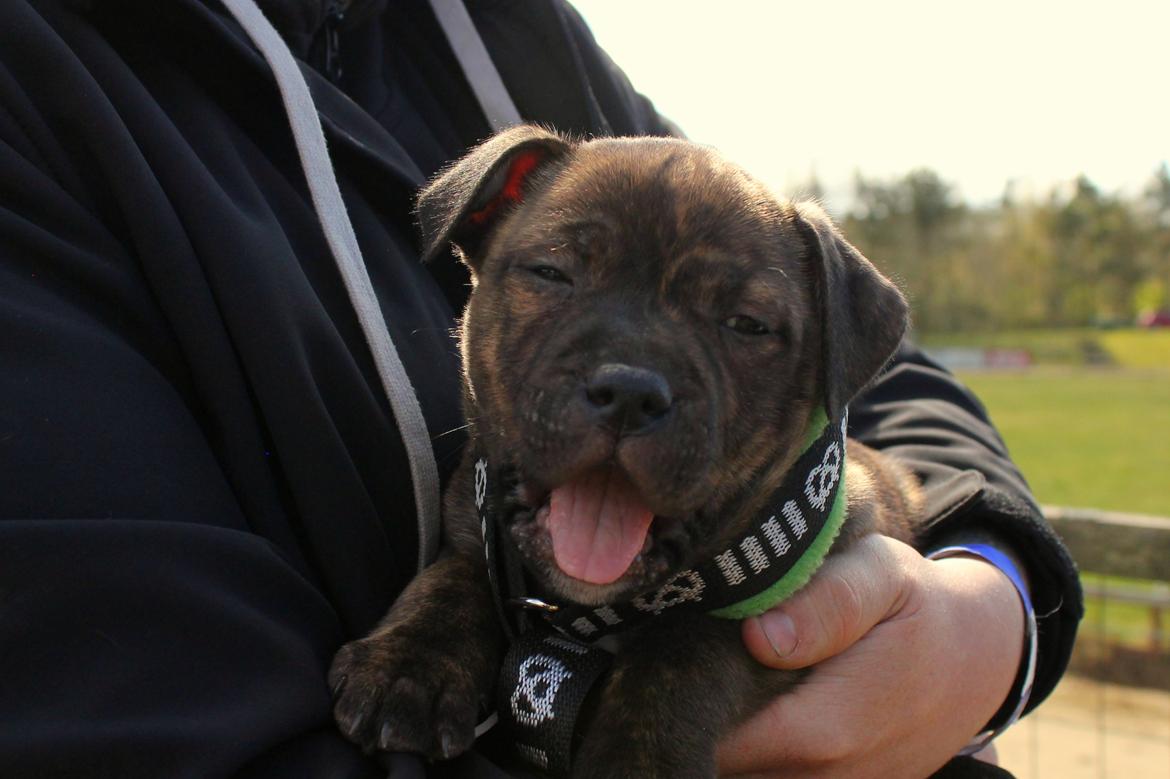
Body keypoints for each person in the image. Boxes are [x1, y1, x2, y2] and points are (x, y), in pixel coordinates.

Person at [0, 1, 1081, 777]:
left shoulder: (510, 33)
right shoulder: (45, 84)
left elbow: (895, 397)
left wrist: (994, 596)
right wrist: (459, 612)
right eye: (558, 276)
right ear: (474, 241)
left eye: (742, 325)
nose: (632, 379)